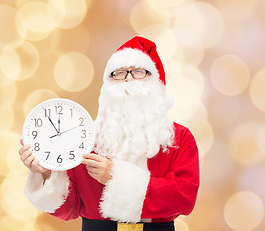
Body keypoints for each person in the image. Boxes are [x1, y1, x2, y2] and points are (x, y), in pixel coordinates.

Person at [19, 36, 200, 231]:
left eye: (138, 71)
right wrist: (47, 173)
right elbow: (69, 209)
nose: (128, 78)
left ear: (155, 81)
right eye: (119, 73)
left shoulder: (180, 138)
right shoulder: (85, 138)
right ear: (107, 86)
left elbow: (184, 197)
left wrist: (116, 176)